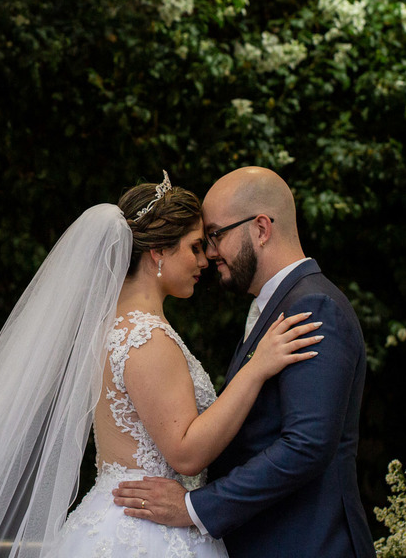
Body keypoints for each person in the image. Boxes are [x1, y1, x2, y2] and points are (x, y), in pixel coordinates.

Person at [0, 173, 322, 558]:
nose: (206, 258)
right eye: (195, 246)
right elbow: (184, 453)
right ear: (158, 253)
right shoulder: (146, 339)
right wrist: (256, 369)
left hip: (121, 521)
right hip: (148, 534)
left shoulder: (112, 328)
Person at [114, 166, 377, 558]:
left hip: (308, 543)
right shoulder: (275, 305)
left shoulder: (312, 305)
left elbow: (306, 445)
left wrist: (194, 507)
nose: (210, 252)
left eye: (216, 234)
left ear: (261, 228)